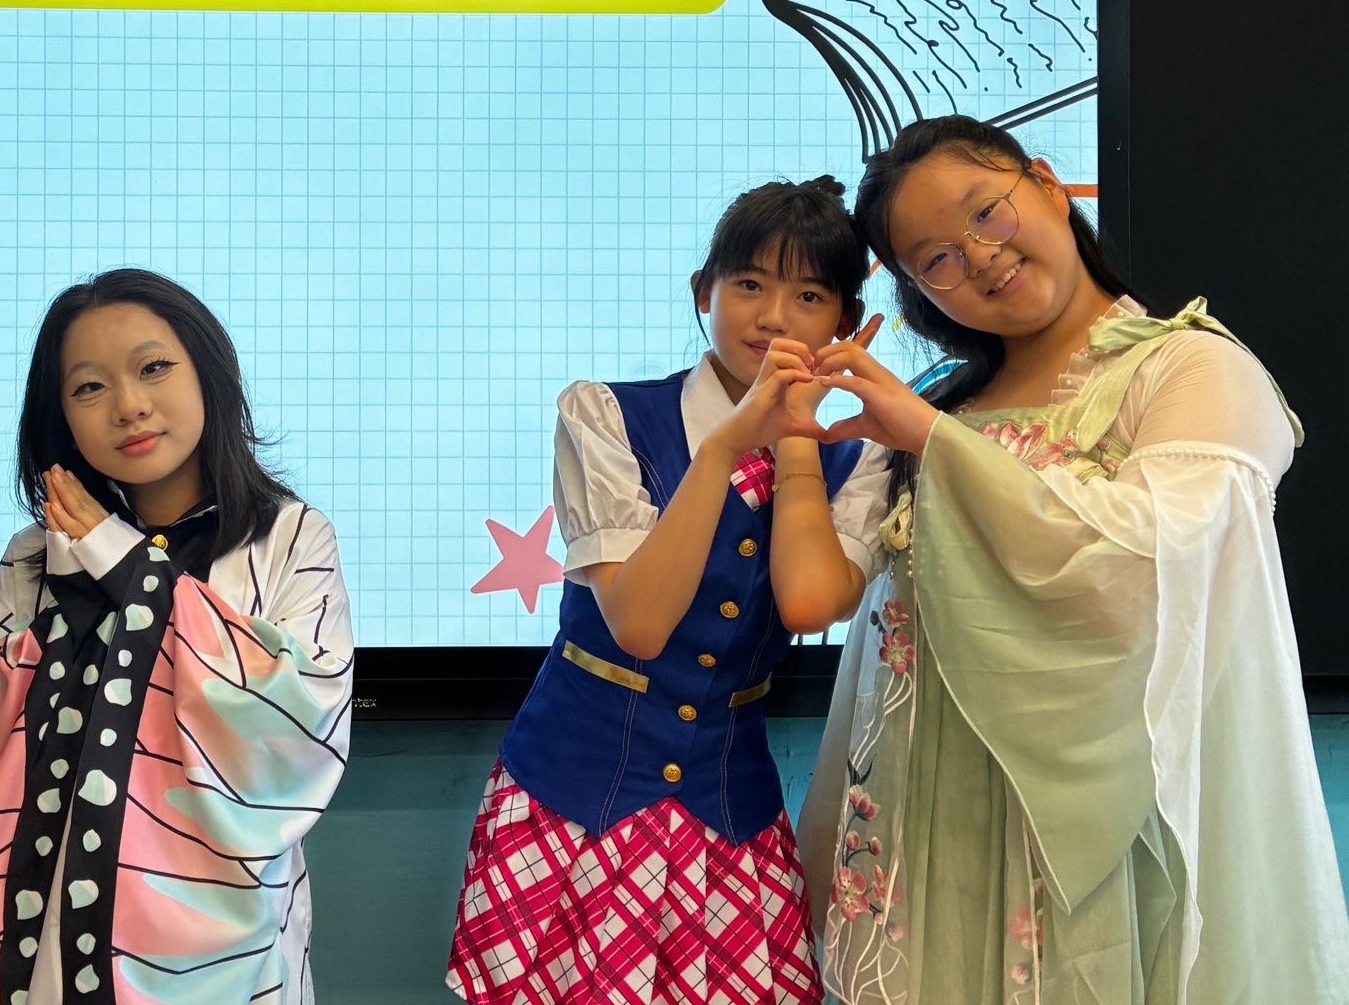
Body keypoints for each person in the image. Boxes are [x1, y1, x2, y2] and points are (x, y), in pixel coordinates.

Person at [803, 114, 1349, 1002]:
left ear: (1050, 185)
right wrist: (792, 433)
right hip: (931, 821)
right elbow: (828, 601)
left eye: (987, 212)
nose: (980, 257)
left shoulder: (1189, 370)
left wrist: (935, 441)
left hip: (1100, 836)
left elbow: (1153, 566)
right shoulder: (938, 408)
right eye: (936, 259)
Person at [448, 176, 876, 1005]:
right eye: (748, 283)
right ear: (702, 291)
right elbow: (639, 624)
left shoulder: (859, 454)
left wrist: (793, 435)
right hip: (570, 804)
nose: (774, 317)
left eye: (809, 296)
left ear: (845, 321)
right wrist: (722, 449)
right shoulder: (605, 416)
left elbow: (807, 605)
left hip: (733, 818)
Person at [0, 268, 353, 1004]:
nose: (129, 406)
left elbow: (301, 718)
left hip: (217, 953)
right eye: (89, 387)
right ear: (59, 417)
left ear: (211, 373)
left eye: (153, 368)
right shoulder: (38, 554)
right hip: (36, 931)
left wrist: (129, 571)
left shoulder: (290, 537)